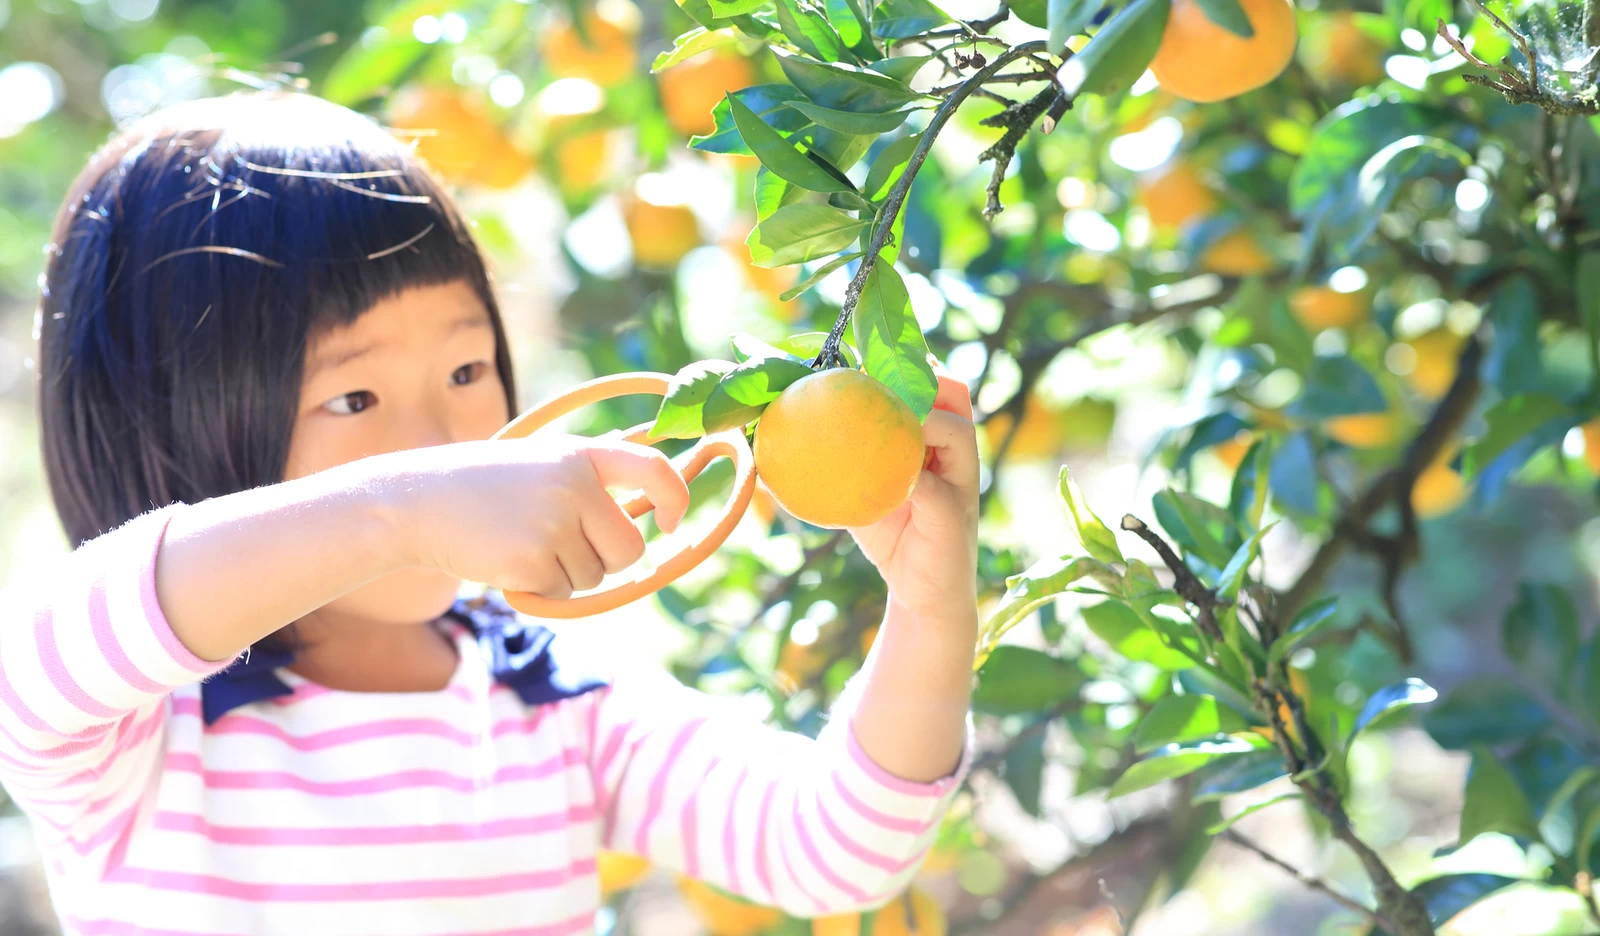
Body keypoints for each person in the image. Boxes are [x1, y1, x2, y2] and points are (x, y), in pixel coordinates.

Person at [4, 90, 981, 934]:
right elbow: (36, 663)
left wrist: (932, 608)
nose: (443, 440)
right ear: (170, 428)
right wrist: (399, 515)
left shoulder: (553, 702)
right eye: (354, 397)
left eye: (466, 370)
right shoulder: (142, 741)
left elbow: (830, 847)